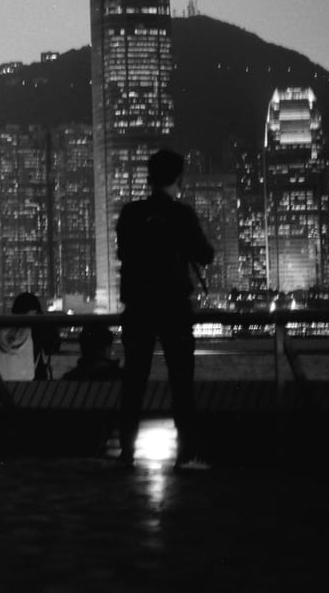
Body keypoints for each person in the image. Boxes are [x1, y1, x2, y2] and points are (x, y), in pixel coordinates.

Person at [116, 148, 214, 470]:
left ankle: (127, 453)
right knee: (181, 383)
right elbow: (205, 254)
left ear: (149, 177)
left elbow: (123, 252)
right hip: (173, 307)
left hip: (138, 306)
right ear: (178, 179)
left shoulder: (130, 214)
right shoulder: (182, 215)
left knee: (133, 381)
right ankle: (185, 453)